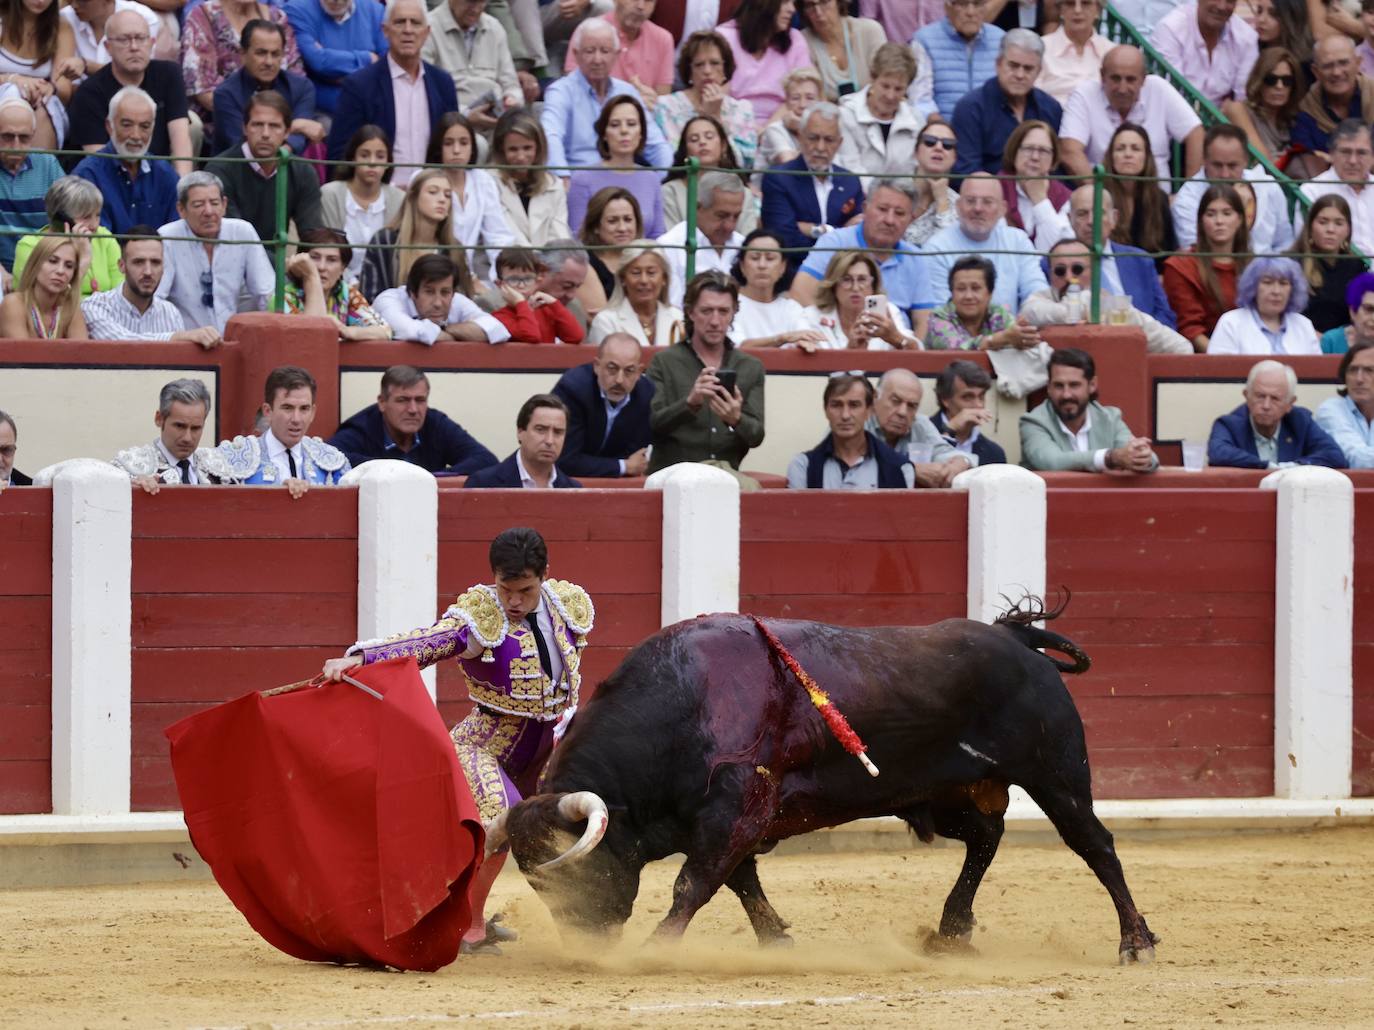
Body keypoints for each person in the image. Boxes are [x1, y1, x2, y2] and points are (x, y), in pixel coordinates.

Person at [320, 526, 595, 953]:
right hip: (484, 744)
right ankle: (470, 929)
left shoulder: (567, 606)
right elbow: (427, 643)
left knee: (541, 833)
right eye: (506, 589)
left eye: (525, 590)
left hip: (544, 749)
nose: (514, 602)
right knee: (500, 826)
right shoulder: (480, 617)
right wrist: (362, 657)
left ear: (544, 575)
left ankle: (476, 915)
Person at [324, 0, 458, 188]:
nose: (408, 30)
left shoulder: (443, 84)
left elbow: (452, 147)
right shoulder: (359, 86)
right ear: (385, 30)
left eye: (415, 23)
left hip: (431, 197)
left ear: (427, 32)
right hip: (378, 198)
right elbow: (339, 156)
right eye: (400, 22)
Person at [646, 270, 764, 475]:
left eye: (723, 311)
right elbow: (650, 426)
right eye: (707, 311)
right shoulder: (664, 362)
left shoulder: (750, 367)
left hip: (725, 476)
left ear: (734, 312)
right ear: (691, 313)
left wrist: (736, 419)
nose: (715, 321)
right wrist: (689, 404)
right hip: (673, 476)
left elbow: (756, 436)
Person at [793, 181, 933, 337]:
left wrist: (913, 354)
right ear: (865, 209)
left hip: (895, 347)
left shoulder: (916, 258)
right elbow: (800, 293)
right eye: (882, 209)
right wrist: (836, 336)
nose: (889, 220)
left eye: (899, 213)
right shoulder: (835, 242)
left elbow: (924, 321)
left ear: (911, 219)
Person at [541, 18, 673, 182]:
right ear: (576, 54)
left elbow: (655, 143)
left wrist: (664, 178)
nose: (597, 60)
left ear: (616, 55)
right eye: (590, 51)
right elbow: (550, 136)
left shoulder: (627, 92)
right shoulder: (561, 91)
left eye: (604, 51)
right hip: (578, 184)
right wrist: (563, 178)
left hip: (625, 187)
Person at [66, 10, 191, 173]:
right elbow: (99, 161)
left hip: (161, 175)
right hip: (111, 181)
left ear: (152, 42)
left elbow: (180, 139)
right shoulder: (89, 93)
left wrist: (182, 190)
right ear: (108, 47)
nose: (134, 47)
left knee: (193, 125)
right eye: (124, 40)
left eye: (140, 38)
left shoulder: (169, 74)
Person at [1022, 239, 1192, 354]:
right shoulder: (1042, 297)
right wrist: (1085, 305)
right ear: (1050, 274)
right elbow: (1029, 313)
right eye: (1060, 270)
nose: (1068, 277)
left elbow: (1181, 347)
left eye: (1077, 269)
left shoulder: (1114, 307)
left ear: (1094, 272)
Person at [1059, 46, 1203, 180]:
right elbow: (1070, 151)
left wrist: (1187, 195)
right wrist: (1099, 195)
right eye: (1115, 78)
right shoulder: (1085, 94)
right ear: (1102, 76)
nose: (1122, 88)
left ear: (1143, 79)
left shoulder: (1159, 89)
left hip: (1157, 202)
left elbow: (1196, 134)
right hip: (1104, 201)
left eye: (1130, 80)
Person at [156, 170, 274, 332]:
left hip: (231, 342)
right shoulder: (167, 236)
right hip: (184, 343)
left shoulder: (242, 231)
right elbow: (156, 298)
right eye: (198, 205)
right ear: (181, 209)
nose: (209, 212)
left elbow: (265, 293)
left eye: (214, 203)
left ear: (224, 205)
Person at [205, 91, 324, 250]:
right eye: (258, 125)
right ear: (245, 128)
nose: (266, 134)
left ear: (287, 132)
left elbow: (312, 235)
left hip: (280, 268)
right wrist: (284, 266)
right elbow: (235, 240)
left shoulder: (302, 172)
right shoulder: (219, 170)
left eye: (274, 126)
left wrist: (303, 265)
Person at [327, 364, 497, 475]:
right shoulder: (361, 428)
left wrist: (431, 478)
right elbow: (329, 458)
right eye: (403, 400)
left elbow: (485, 460)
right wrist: (397, 472)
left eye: (420, 400)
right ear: (382, 402)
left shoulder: (435, 423)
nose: (413, 410)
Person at [759, 102, 863, 272]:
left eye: (829, 140)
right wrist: (839, 232)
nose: (820, 147)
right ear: (800, 137)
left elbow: (857, 238)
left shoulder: (850, 182)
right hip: (794, 276)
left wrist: (814, 230)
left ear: (839, 143)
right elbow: (785, 241)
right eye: (813, 138)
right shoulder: (778, 178)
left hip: (841, 278)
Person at [924, 173, 1049, 315]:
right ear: (958, 206)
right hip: (956, 335)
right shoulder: (936, 248)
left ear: (1002, 209)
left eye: (987, 202)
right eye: (970, 201)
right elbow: (940, 314)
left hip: (1013, 332)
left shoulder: (1017, 241)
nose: (978, 208)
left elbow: (1036, 292)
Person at [1019, 347, 1158, 474]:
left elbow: (1151, 460)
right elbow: (1051, 462)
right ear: (1048, 388)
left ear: (1092, 385)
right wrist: (1110, 457)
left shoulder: (1110, 419)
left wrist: (1141, 456)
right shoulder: (1033, 422)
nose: (1066, 394)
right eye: (1058, 386)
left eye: (1074, 385)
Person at [215, 365, 350, 495]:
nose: (296, 419)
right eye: (287, 408)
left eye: (304, 409)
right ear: (268, 411)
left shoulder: (333, 464)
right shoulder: (231, 459)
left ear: (313, 413)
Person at [1171, 123, 1295, 257]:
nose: (1225, 174)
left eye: (1232, 166)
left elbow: (1284, 245)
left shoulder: (1268, 187)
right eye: (1217, 165)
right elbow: (1196, 254)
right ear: (1205, 161)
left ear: (1245, 161)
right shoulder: (1186, 201)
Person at [951, 30, 1062, 178]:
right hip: (988, 196)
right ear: (998, 64)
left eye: (1028, 68)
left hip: (1039, 194)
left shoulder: (1051, 108)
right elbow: (966, 171)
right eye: (1013, 66)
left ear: (1039, 71)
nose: (1020, 75)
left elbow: (1056, 168)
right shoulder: (971, 108)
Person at [81, 228, 221, 344]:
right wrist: (176, 337)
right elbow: (120, 344)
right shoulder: (95, 306)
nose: (148, 272)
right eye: (138, 262)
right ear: (122, 266)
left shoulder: (171, 313)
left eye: (155, 262)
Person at [1065, 184, 1177, 328]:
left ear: (1114, 219)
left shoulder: (1140, 260)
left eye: (1099, 212)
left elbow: (1165, 316)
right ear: (1070, 219)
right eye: (1082, 214)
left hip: (1141, 343)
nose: (1091, 221)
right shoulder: (1057, 263)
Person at [71, 86, 178, 235]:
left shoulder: (165, 173)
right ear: (110, 126)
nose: (136, 135)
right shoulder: (88, 174)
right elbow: (95, 241)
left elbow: (177, 233)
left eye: (144, 126)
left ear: (153, 129)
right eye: (127, 125)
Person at [1206, 359, 1346, 469]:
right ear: (1247, 396)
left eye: (1275, 399)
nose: (1266, 406)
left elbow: (1335, 456)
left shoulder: (1300, 421)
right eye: (1260, 396)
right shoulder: (1229, 425)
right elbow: (1218, 454)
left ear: (1290, 404)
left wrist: (1294, 467)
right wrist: (1267, 467)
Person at [650, 31, 758, 172]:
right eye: (699, 65)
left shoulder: (742, 110)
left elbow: (744, 163)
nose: (707, 71)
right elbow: (672, 159)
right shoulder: (666, 107)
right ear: (689, 72)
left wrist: (715, 118)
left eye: (714, 63)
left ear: (725, 69)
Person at [181, 0, 304, 123]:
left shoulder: (277, 17)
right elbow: (204, 91)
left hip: (280, 122)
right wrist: (259, 120)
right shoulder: (203, 16)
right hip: (221, 122)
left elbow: (297, 79)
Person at [211, 19, 321, 155]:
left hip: (288, 167)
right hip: (237, 172)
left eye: (275, 54)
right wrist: (296, 126)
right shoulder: (226, 94)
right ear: (243, 53)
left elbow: (301, 138)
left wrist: (283, 154)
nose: (269, 62)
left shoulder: (302, 87)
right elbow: (243, 145)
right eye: (261, 53)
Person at [787, 373, 915, 490]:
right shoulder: (803, 467)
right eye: (836, 405)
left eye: (854, 405)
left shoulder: (901, 468)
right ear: (825, 410)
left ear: (869, 411)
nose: (845, 415)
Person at [552, 332, 653, 478]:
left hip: (618, 486)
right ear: (597, 366)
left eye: (629, 371)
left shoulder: (646, 394)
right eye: (612, 368)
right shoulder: (573, 390)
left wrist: (624, 466)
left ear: (639, 372)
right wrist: (623, 466)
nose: (619, 380)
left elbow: (635, 456)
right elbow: (566, 460)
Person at [426, 112, 516, 276]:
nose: (456, 150)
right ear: (438, 146)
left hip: (472, 275)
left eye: (464, 143)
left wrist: (502, 278)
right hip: (432, 273)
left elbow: (498, 236)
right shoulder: (424, 179)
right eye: (448, 143)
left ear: (472, 147)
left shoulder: (483, 180)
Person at [1163, 183, 1250, 352]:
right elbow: (1190, 329)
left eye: (1227, 213)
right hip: (1206, 359)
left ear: (1239, 219)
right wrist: (1226, 362)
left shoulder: (1255, 265)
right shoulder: (1181, 266)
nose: (1219, 221)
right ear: (1201, 221)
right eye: (1211, 214)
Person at [359, 168, 466, 302]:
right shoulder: (385, 240)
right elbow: (369, 298)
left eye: (447, 195)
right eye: (433, 192)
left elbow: (463, 302)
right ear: (413, 197)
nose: (442, 200)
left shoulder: (454, 249)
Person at [568, 95, 665, 239]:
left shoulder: (651, 178)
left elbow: (658, 236)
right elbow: (579, 237)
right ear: (604, 134)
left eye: (631, 124)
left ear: (641, 133)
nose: (624, 131)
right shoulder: (582, 179)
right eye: (615, 125)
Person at [111, 378, 234, 490]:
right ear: (159, 419)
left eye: (196, 428)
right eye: (179, 426)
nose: (187, 438)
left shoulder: (218, 469)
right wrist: (131, 490)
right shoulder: (129, 469)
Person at [14, 176, 122, 300]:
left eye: (97, 215)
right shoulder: (30, 246)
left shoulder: (103, 237)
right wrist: (82, 258)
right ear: (61, 218)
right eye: (86, 217)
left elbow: (119, 292)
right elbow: (41, 302)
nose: (94, 225)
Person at [321, 126, 403, 286]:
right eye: (365, 155)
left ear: (388, 162)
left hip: (386, 286)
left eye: (380, 156)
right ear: (353, 158)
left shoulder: (399, 199)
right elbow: (328, 250)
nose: (372, 162)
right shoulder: (330, 194)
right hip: (338, 285)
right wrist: (351, 283)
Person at [421, 0, 520, 131]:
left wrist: (511, 100)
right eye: (470, 2)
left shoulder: (495, 28)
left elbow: (511, 85)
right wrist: (465, 115)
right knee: (479, 145)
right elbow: (424, 90)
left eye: (482, 2)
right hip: (452, 126)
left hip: (497, 122)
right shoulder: (428, 28)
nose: (476, 9)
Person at [833, 43, 923, 188]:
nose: (890, 95)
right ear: (873, 78)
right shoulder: (846, 114)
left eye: (899, 89)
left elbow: (918, 171)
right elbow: (850, 169)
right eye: (885, 86)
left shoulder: (916, 120)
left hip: (905, 202)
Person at [864, 367, 974, 486]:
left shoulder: (919, 423)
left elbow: (943, 452)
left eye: (912, 406)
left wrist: (961, 462)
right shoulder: (861, 422)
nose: (903, 412)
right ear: (875, 397)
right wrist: (911, 469)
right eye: (895, 401)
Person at [373, 253, 511, 345]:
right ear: (412, 292)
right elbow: (413, 332)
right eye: (429, 292)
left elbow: (498, 330)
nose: (438, 303)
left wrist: (446, 328)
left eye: (445, 292)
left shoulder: (457, 300)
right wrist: (461, 334)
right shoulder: (389, 299)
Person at [0, 0, 82, 151]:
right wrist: (13, 79)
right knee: (14, 93)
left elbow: (64, 87)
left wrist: (50, 87)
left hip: (41, 102)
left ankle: (40, 171)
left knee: (45, 106)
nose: (40, 1)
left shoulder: (61, 26)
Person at [282, 228, 392, 339]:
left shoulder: (346, 293)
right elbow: (313, 337)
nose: (322, 267)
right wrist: (311, 278)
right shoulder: (284, 297)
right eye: (314, 258)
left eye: (331, 260)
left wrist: (346, 330)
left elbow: (385, 331)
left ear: (343, 268)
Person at [657, 171, 746, 308]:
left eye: (736, 216)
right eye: (722, 215)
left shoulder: (743, 245)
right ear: (698, 207)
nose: (729, 225)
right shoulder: (670, 246)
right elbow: (673, 309)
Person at [558, 0, 675, 104]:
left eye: (648, 1)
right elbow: (574, 92)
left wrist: (653, 102)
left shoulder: (663, 39)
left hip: (643, 121)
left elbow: (662, 101)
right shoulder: (587, 31)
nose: (641, 6)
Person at [661, 116, 760, 238]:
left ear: (723, 145)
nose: (702, 142)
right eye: (694, 139)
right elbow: (671, 239)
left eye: (709, 137)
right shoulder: (670, 191)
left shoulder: (743, 193)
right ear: (685, 151)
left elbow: (747, 239)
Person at [284, 0, 387, 116]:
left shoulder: (376, 11)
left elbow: (387, 63)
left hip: (371, 107)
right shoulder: (297, 10)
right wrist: (368, 58)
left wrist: (330, 65)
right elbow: (318, 61)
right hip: (321, 112)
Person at [715, 0, 811, 124]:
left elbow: (803, 92)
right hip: (730, 124)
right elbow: (713, 95)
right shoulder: (723, 38)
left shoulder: (795, 39)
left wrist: (767, 129)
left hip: (782, 125)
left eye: (793, 3)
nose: (792, 9)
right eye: (785, 2)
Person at [802, 250, 920, 350]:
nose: (855, 288)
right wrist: (850, 350)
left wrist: (895, 337)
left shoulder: (888, 312)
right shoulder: (812, 316)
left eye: (862, 279)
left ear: (873, 284)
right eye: (846, 280)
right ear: (833, 285)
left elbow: (918, 355)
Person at [1151, 0, 1259, 107]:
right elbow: (1171, 94)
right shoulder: (1171, 29)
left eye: (1229, 1)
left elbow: (1244, 98)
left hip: (1221, 119)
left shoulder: (1246, 38)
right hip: (1174, 114)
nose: (1221, 6)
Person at [1207, 256, 1321, 354]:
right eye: (1267, 282)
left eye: (1283, 283)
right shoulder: (1230, 323)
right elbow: (1218, 371)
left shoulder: (1304, 325)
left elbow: (1317, 373)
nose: (1276, 291)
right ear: (1253, 287)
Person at [1291, 35, 1372, 173]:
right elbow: (1309, 163)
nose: (1336, 72)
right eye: (1328, 66)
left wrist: (1332, 159)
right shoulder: (1306, 112)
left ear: (1358, 63)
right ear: (1315, 72)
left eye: (1343, 63)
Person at [491, 110, 571, 250]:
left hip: (549, 266)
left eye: (527, 148)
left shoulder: (554, 185)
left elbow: (560, 235)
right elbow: (506, 235)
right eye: (513, 149)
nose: (521, 157)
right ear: (501, 150)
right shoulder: (490, 182)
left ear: (539, 148)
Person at [1100, 123, 1177, 267]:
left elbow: (1167, 256)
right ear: (1111, 156)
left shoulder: (1159, 199)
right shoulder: (1098, 196)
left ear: (1146, 157)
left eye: (1135, 149)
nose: (1128, 154)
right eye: (1120, 148)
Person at [729, 229, 820, 350]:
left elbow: (807, 340)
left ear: (783, 266)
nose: (762, 265)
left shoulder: (791, 308)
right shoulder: (729, 305)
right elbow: (738, 347)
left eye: (770, 258)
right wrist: (781, 339)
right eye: (755, 258)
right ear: (742, 265)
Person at [465, 394, 582, 488]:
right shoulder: (483, 484)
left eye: (558, 432)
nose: (550, 441)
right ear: (520, 432)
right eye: (541, 430)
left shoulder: (574, 490)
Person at [915, 0, 1005, 119]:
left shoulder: (1001, 39)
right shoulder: (924, 40)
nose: (970, 12)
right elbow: (920, 100)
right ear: (947, 7)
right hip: (941, 131)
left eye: (977, 4)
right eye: (962, 4)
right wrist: (940, 127)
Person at [0, 99, 61, 274]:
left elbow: (69, 217)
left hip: (42, 269)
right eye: (7, 137)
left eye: (24, 138)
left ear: (33, 135)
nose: (16, 146)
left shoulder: (48, 164)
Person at [1290, 194, 1367, 333]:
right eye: (1323, 222)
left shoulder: (1356, 265)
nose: (1330, 230)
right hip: (1302, 339)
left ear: (1348, 230)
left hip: (1343, 342)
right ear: (1310, 226)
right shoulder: (1292, 263)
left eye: (1338, 223)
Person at [925, 255, 1033, 351]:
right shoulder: (939, 317)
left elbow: (1014, 337)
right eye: (961, 289)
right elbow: (957, 350)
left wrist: (1022, 337)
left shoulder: (999, 314)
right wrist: (999, 339)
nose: (968, 296)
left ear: (990, 293)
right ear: (951, 292)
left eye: (976, 288)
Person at [586, 240, 682, 347]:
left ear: (664, 278)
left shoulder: (677, 317)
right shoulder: (606, 321)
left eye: (651, 273)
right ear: (623, 279)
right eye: (636, 273)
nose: (644, 280)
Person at [1299, 118, 1374, 255]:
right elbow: (1307, 247)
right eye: (1345, 152)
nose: (1352, 161)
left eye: (1361, 153)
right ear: (1331, 154)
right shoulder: (1312, 191)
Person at [1223, 46, 1306, 165]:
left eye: (1287, 80)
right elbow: (1264, 161)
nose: (1279, 86)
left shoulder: (1292, 121)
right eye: (1271, 80)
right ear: (1259, 81)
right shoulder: (1238, 110)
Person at [997, 120, 1070, 252]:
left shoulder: (1064, 197)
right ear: (1015, 152)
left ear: (1053, 159)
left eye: (1043, 151)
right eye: (1028, 149)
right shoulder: (997, 188)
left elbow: (1053, 253)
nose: (1035, 157)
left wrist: (1040, 200)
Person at [797, 0, 888, 103]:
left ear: (838, 2)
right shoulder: (802, 41)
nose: (818, 12)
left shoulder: (870, 31)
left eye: (824, 2)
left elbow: (887, 83)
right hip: (829, 116)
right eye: (810, 5)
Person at [489, 247, 585, 344]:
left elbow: (575, 337)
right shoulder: (499, 317)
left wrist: (554, 303)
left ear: (537, 280)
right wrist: (520, 303)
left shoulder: (545, 311)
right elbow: (531, 337)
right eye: (513, 280)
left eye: (528, 279)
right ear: (500, 284)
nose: (521, 285)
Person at [0, 234, 87, 338]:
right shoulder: (13, 304)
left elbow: (80, 353)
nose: (60, 271)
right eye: (53, 261)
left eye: (69, 266)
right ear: (35, 264)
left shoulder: (71, 308)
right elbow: (21, 353)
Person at [576, 185, 643, 319]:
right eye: (612, 221)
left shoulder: (645, 256)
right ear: (595, 226)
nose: (622, 228)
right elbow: (600, 321)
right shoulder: (584, 263)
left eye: (628, 219)